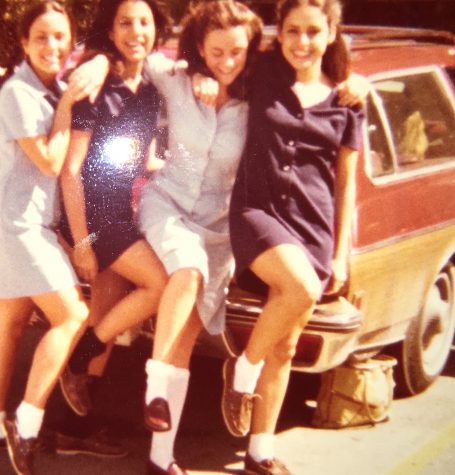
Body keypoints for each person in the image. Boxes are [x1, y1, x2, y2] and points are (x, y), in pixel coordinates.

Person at [222, 0, 365, 473]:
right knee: (300, 288)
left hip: (314, 228)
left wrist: (341, 254)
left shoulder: (348, 101)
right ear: (279, 34)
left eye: (313, 32)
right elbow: (209, 53)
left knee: (284, 344)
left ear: (331, 34)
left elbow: (346, 183)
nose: (303, 42)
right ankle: (241, 370)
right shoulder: (260, 76)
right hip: (256, 213)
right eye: (293, 32)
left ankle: (259, 452)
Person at [58, 0, 169, 423]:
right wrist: (83, 244)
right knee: (157, 284)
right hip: (91, 216)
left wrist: (192, 169)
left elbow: (145, 162)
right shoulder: (95, 88)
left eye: (145, 22)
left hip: (119, 212)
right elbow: (71, 172)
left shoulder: (150, 92)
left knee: (107, 306)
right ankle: (84, 351)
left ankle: (76, 427)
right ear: (110, 30)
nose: (136, 31)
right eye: (125, 23)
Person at [0, 1, 95, 473]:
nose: (52, 46)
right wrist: (64, 105)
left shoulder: (49, 86)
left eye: (61, 37)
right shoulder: (20, 92)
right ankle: (27, 421)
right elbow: (52, 163)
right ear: (23, 43)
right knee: (72, 314)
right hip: (16, 226)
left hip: (26, 223)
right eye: (41, 37)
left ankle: (1, 424)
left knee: (11, 326)